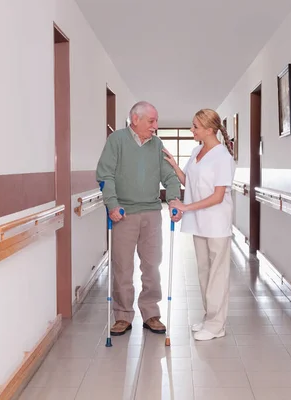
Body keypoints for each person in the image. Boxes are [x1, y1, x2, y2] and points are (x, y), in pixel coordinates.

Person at [96, 101, 182, 336]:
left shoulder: (156, 145)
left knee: (152, 266)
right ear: (135, 119)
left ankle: (151, 312)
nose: (155, 126)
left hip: (152, 213)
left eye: (156, 121)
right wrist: (112, 204)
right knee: (123, 267)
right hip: (124, 213)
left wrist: (174, 199)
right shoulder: (117, 141)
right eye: (151, 121)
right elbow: (105, 175)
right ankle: (123, 315)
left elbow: (170, 176)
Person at [163, 108, 236, 341]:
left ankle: (217, 325)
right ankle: (209, 318)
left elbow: (218, 196)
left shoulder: (222, 157)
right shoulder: (197, 151)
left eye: (195, 126)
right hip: (199, 223)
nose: (192, 130)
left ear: (209, 129)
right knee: (204, 272)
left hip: (216, 223)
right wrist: (175, 166)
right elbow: (189, 182)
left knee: (217, 275)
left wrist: (185, 207)